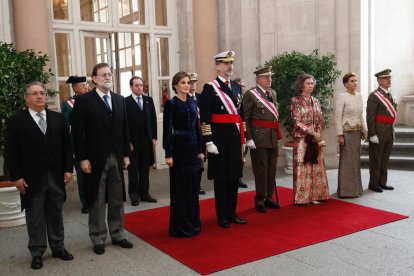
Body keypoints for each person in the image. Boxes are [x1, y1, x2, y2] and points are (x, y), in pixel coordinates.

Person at [5, 82, 74, 270]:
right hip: (31, 178)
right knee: (35, 216)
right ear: (26, 98)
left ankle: (58, 247)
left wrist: (68, 169)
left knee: (55, 213)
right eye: (34, 93)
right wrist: (17, 177)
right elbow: (11, 153)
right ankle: (37, 252)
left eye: (42, 93)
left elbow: (67, 146)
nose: (40, 96)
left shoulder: (58, 119)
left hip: (56, 176)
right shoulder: (16, 121)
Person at [71, 63, 133, 255]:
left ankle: (118, 234)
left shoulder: (119, 99)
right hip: (95, 158)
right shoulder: (83, 101)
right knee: (97, 199)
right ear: (94, 78)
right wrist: (82, 159)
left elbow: (124, 129)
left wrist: (125, 154)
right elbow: (77, 134)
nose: (108, 77)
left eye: (109, 74)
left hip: (116, 155)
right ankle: (97, 238)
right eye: (103, 75)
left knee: (116, 198)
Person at [199, 50, 247, 228]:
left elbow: (241, 115)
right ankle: (222, 216)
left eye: (231, 63)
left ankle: (232, 213)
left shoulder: (236, 87)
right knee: (221, 179)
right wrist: (208, 141)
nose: (230, 66)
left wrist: (246, 137)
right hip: (218, 139)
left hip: (234, 137)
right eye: (226, 63)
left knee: (234, 177)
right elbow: (204, 117)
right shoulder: (209, 88)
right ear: (217, 66)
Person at [163, 72, 204, 237]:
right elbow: (167, 130)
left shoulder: (193, 102)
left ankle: (193, 223)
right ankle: (180, 226)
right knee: (180, 189)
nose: (187, 85)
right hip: (178, 151)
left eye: (188, 82)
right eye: (183, 83)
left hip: (193, 150)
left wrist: (201, 150)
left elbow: (197, 128)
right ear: (175, 85)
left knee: (193, 189)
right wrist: (168, 153)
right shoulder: (171, 104)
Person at [242, 66, 282, 212]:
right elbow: (244, 118)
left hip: (271, 136)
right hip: (258, 137)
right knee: (261, 169)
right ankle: (260, 199)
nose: (269, 80)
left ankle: (269, 197)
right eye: (266, 77)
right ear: (258, 79)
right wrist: (248, 138)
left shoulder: (272, 93)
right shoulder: (250, 94)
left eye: (270, 77)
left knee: (272, 168)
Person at [290, 73, 330, 205]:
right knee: (304, 167)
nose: (311, 85)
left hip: (315, 138)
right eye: (308, 83)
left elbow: (320, 119)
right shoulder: (295, 100)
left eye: (312, 83)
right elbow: (296, 121)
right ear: (301, 85)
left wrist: (318, 132)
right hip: (302, 138)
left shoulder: (316, 101)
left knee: (316, 165)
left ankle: (316, 195)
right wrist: (311, 132)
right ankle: (302, 198)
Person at [125, 76, 157, 206]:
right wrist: (127, 142)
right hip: (133, 143)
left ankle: (144, 193)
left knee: (145, 170)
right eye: (137, 85)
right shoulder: (125, 102)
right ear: (131, 87)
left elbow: (153, 120)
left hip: (146, 142)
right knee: (133, 171)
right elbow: (124, 124)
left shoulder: (149, 100)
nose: (140, 87)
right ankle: (134, 195)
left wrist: (154, 137)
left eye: (141, 85)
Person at [335, 72, 367, 198]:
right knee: (347, 162)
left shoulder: (359, 96)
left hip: (357, 133)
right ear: (345, 84)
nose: (355, 83)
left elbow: (361, 115)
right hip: (346, 133)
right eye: (352, 81)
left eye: (356, 80)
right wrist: (340, 135)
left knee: (355, 162)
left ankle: (356, 189)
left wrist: (364, 130)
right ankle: (345, 191)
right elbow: (338, 118)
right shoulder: (342, 97)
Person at [62, 75, 90, 214]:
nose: (87, 87)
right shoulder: (69, 104)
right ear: (75, 88)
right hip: (78, 146)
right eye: (83, 85)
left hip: (93, 144)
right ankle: (86, 203)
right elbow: (66, 127)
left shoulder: (93, 100)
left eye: (87, 85)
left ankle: (97, 199)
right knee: (82, 176)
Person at [366, 69, 397, 192]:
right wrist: (372, 134)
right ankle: (373, 184)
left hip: (389, 131)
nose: (389, 80)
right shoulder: (374, 96)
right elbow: (370, 116)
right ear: (379, 81)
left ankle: (382, 182)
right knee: (376, 159)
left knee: (384, 159)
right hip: (378, 132)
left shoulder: (390, 94)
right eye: (386, 78)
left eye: (389, 78)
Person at [188, 72, 206, 195]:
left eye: (194, 82)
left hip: (202, 134)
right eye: (190, 83)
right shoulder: (184, 98)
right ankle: (191, 185)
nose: (193, 85)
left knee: (200, 162)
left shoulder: (200, 97)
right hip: (190, 135)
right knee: (191, 162)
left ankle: (198, 185)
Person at [233, 77, 248, 189]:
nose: (242, 88)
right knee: (235, 154)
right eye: (240, 86)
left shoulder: (246, 98)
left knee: (243, 153)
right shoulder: (233, 97)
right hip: (234, 127)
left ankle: (239, 178)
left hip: (243, 127)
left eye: (243, 86)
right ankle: (233, 177)